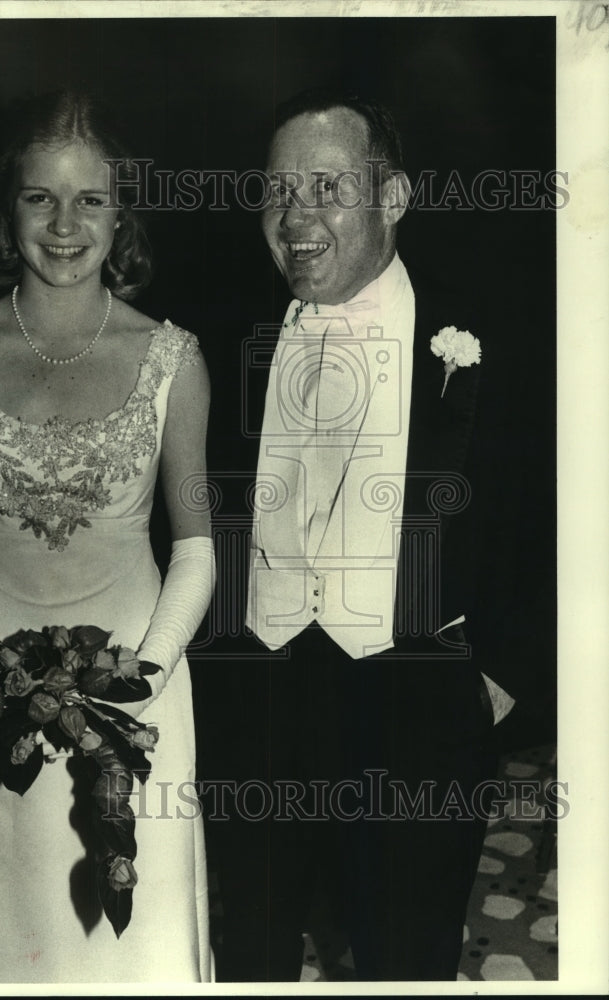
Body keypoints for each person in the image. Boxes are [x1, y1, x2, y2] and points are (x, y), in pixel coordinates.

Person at [0, 90, 214, 984]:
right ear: (7, 208)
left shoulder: (173, 357)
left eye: (91, 199)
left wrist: (144, 671)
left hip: (139, 689)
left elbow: (197, 549)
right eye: (39, 198)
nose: (65, 225)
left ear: (122, 214)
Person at [212, 87, 529, 981]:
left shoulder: (481, 336)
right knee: (255, 952)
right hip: (265, 694)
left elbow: (545, 511)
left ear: (393, 198)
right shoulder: (229, 329)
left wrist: (501, 680)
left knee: (406, 956)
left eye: (326, 188)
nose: (293, 217)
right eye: (276, 191)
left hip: (414, 696)